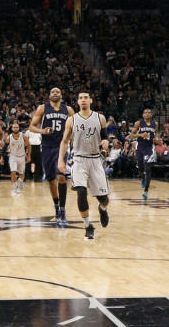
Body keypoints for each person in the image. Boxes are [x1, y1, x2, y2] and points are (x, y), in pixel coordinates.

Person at [58, 92, 110, 241]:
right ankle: (88, 226)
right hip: (79, 160)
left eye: (86, 97)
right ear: (78, 102)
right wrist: (60, 160)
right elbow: (64, 141)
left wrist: (106, 142)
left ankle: (103, 209)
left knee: (104, 198)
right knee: (81, 192)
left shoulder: (100, 118)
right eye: (80, 98)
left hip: (95, 160)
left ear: (91, 100)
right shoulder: (71, 120)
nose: (83, 100)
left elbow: (105, 136)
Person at [29, 87, 75, 227]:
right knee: (51, 180)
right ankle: (56, 205)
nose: (55, 93)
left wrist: (73, 141)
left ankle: (62, 209)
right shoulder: (43, 108)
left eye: (57, 92)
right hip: (47, 147)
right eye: (52, 92)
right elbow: (32, 127)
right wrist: (42, 130)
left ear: (61, 95)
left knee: (61, 176)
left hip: (61, 146)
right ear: (49, 96)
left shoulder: (69, 110)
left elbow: (76, 127)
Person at [129, 108, 157, 199]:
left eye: (149, 112)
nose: (147, 114)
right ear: (143, 115)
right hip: (140, 147)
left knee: (148, 168)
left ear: (151, 115)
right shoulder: (138, 123)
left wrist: (156, 139)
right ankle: (142, 177)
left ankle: (146, 191)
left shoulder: (155, 124)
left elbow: (155, 135)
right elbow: (131, 135)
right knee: (141, 167)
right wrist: (140, 135)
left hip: (149, 148)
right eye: (145, 112)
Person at [7, 121, 30, 194]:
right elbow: (4, 147)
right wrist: (1, 157)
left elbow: (29, 145)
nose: (15, 128)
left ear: (19, 128)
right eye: (14, 127)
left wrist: (28, 155)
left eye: (17, 127)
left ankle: (20, 183)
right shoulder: (9, 137)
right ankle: (15, 187)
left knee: (21, 173)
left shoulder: (23, 136)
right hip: (13, 156)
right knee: (13, 171)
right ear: (12, 128)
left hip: (22, 156)